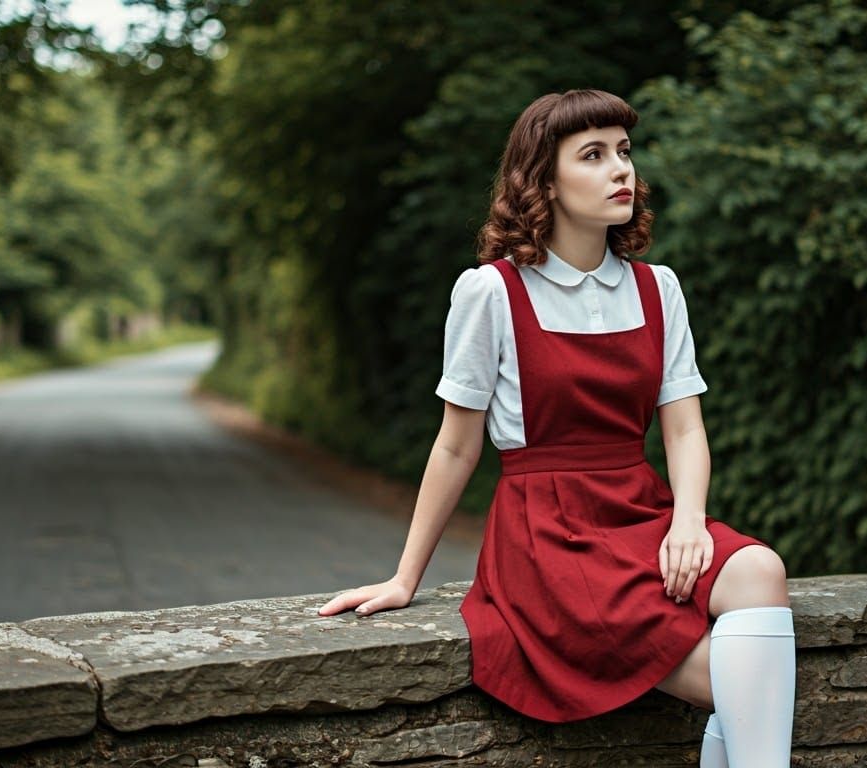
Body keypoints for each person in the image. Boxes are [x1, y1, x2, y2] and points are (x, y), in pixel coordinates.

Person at [318, 89, 795, 767]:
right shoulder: (492, 291)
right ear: (543, 179)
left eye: (624, 152)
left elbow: (685, 430)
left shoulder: (658, 287)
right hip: (549, 534)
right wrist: (405, 578)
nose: (620, 170)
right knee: (748, 686)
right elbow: (457, 445)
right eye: (593, 155)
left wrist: (690, 519)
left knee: (758, 570)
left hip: (639, 509)